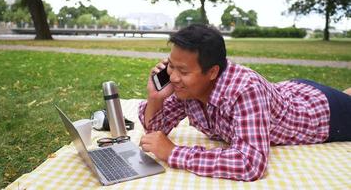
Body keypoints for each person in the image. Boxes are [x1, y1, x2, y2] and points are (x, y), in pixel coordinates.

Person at [138, 24, 351, 181]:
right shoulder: (188, 86)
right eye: (171, 66)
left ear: (212, 72)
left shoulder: (245, 89)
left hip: (322, 113)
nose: (174, 77)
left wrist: (174, 153)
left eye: (183, 70)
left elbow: (250, 163)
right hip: (294, 89)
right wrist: (155, 98)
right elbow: (155, 133)